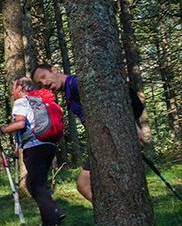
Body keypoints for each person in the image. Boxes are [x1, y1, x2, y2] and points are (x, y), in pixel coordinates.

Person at [30, 64, 145, 203]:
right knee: (84, 184)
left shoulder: (76, 84)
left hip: (110, 140)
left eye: (44, 77)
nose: (45, 83)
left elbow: (114, 100)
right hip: (100, 141)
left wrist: (133, 128)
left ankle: (116, 210)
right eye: (40, 83)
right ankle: (110, 211)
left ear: (55, 70)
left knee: (85, 184)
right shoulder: (70, 90)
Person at [0, 78, 65, 226]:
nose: (12, 92)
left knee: (35, 185)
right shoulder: (38, 101)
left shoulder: (21, 102)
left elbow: (20, 123)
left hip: (35, 147)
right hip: (49, 145)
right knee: (37, 183)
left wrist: (1, 130)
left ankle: (50, 222)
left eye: (13, 88)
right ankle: (54, 211)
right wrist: (19, 145)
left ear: (20, 88)